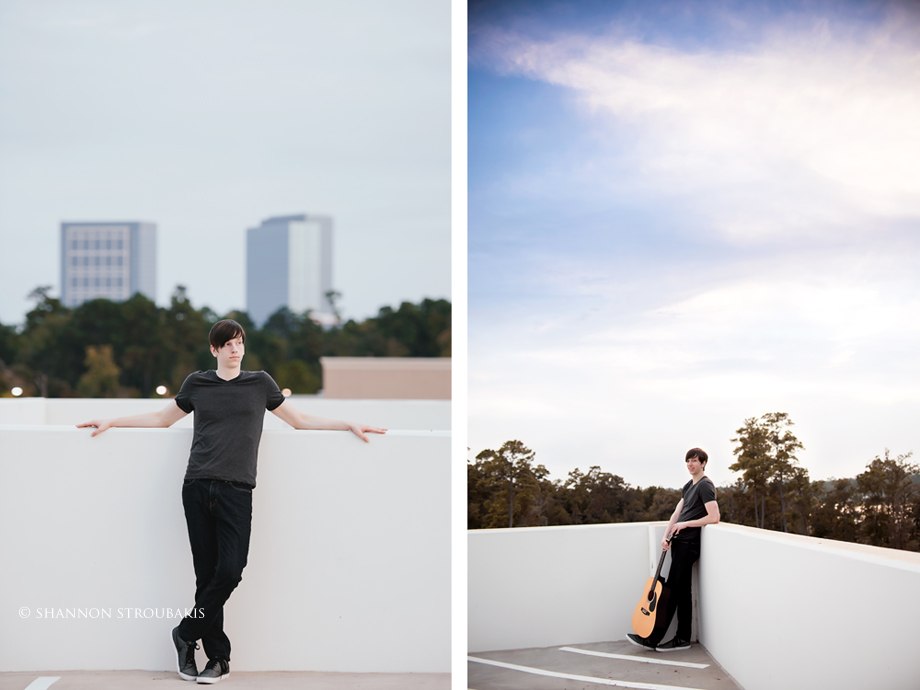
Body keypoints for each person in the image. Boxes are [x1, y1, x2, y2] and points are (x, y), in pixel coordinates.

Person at [77, 319, 386, 683]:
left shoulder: (260, 384)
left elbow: (300, 420)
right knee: (206, 576)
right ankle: (218, 660)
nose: (235, 349)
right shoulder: (198, 383)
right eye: (227, 344)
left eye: (239, 342)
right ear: (215, 349)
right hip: (197, 486)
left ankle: (185, 634)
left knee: (230, 571)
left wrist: (348, 424)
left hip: (237, 490)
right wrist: (113, 420)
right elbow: (161, 419)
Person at [627, 447, 719, 652]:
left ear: (703, 463)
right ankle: (682, 638)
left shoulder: (705, 485)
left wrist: (686, 525)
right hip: (679, 542)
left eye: (694, 461)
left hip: (689, 544)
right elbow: (676, 513)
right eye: (688, 461)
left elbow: (714, 517)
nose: (690, 464)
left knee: (671, 592)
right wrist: (666, 535)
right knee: (683, 592)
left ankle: (651, 638)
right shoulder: (689, 486)